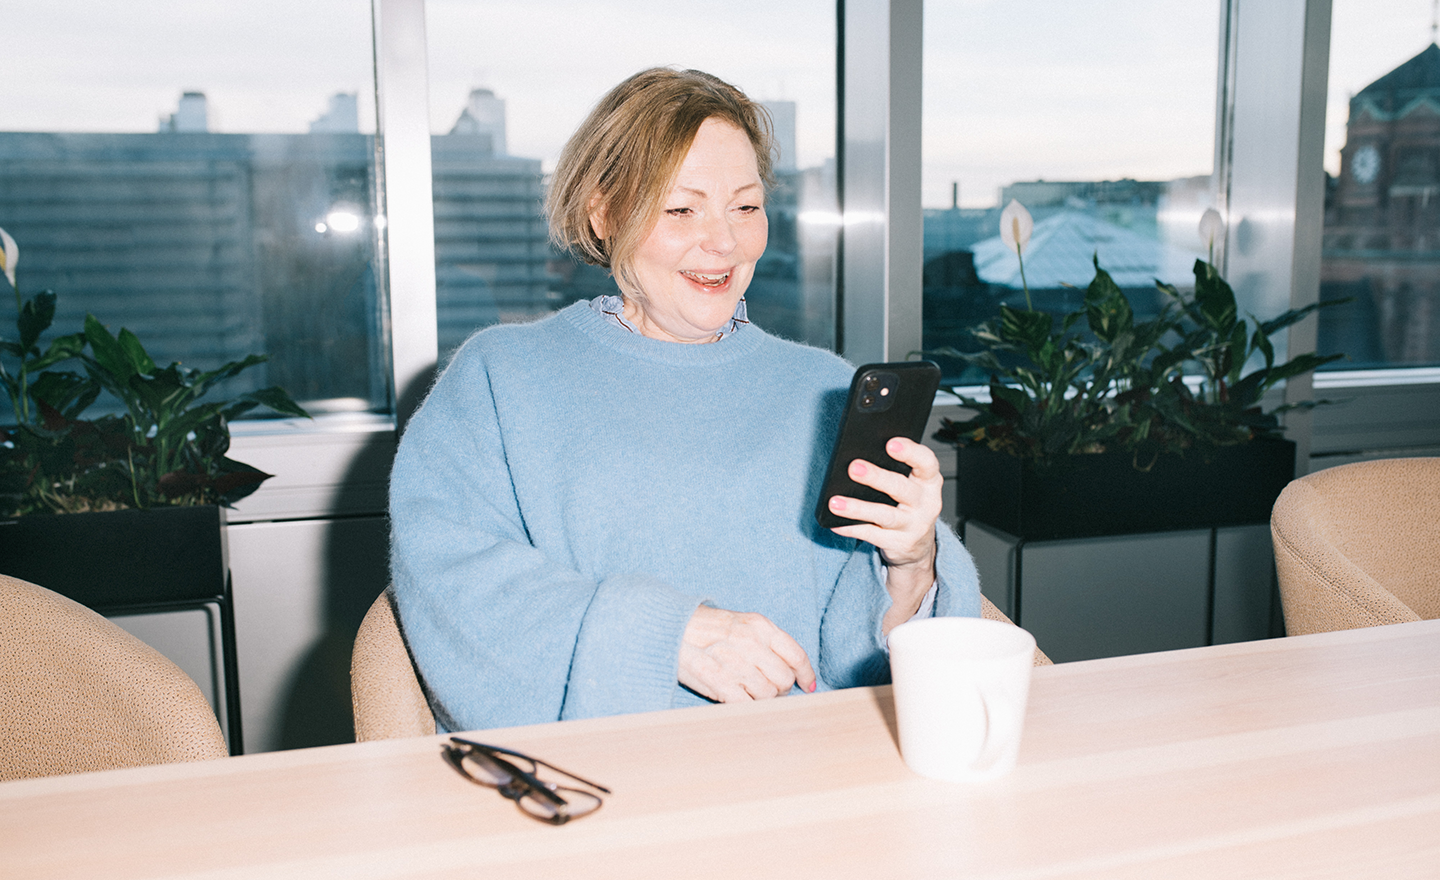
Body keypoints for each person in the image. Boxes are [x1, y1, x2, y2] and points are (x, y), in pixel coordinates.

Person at [389, 67, 980, 733]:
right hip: (588, 782)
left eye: (745, 207)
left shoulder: (823, 387)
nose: (723, 241)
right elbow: (451, 584)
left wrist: (912, 564)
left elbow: (870, 673)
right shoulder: (500, 378)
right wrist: (661, 636)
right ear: (603, 211)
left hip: (803, 778)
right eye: (681, 208)